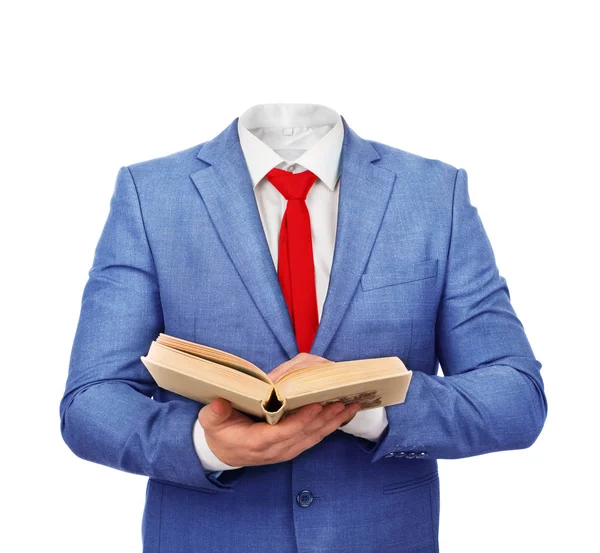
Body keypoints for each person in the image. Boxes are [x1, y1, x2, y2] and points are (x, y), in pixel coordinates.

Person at [59, 102, 547, 552]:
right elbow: (90, 402)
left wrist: (366, 408)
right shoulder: (151, 194)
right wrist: (204, 445)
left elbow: (516, 396)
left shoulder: (435, 194)